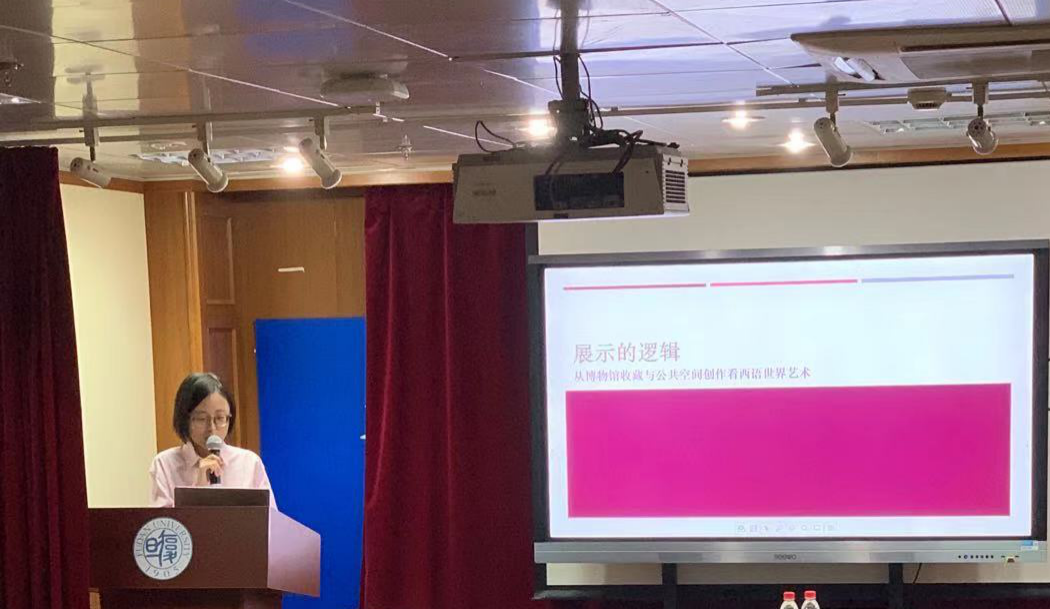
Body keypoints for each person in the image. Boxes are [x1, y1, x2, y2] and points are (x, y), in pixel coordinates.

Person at [149, 372, 275, 507]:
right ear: (184, 419)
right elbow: (162, 519)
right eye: (201, 419)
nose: (212, 428)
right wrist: (197, 491)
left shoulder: (249, 463)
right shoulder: (165, 464)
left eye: (220, 418)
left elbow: (272, 518)